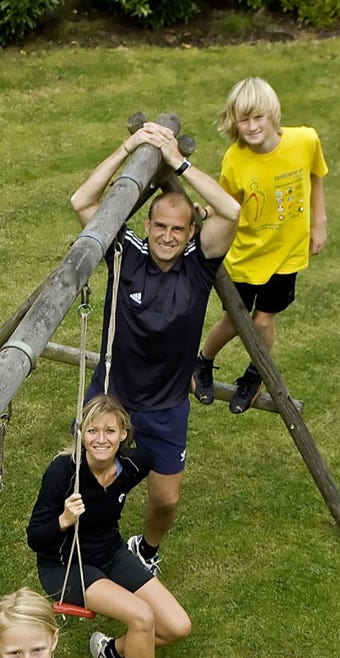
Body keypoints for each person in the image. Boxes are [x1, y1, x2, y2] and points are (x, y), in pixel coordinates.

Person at [72, 121, 240, 573]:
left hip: (166, 406)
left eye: (177, 229)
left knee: (166, 499)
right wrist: (130, 146)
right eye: (160, 226)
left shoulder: (199, 265)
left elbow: (231, 211)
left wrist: (178, 162)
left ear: (190, 232)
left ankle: (146, 548)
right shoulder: (125, 251)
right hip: (112, 395)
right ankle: (86, 550)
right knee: (89, 481)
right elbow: (82, 201)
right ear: (146, 223)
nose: (167, 236)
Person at [28, 395, 190, 658]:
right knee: (142, 617)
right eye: (93, 430)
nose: (101, 438)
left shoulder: (131, 467)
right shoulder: (63, 473)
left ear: (123, 437)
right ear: (82, 434)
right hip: (66, 567)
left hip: (111, 554)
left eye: (110, 431)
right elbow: (35, 537)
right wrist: (64, 520)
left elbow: (157, 448)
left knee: (178, 627)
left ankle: (112, 653)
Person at [193, 78, 328, 415]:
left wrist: (319, 222)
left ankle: (255, 375)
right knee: (235, 319)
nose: (251, 127)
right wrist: (204, 212)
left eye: (258, 118)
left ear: (272, 115)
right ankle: (203, 362)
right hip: (246, 254)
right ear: (233, 121)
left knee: (264, 322)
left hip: (287, 253)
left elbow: (316, 174)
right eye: (243, 119)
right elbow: (227, 200)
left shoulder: (304, 140)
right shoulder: (235, 158)